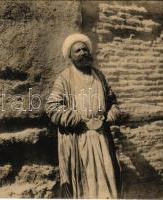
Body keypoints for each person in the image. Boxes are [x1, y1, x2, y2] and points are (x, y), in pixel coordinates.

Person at [46, 33, 122, 198]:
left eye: (85, 49)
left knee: (107, 181)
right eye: (78, 51)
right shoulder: (64, 78)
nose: (83, 53)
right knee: (83, 185)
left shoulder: (100, 77)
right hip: (78, 138)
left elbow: (114, 103)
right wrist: (75, 119)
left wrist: (110, 116)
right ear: (70, 56)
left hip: (102, 138)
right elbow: (52, 107)